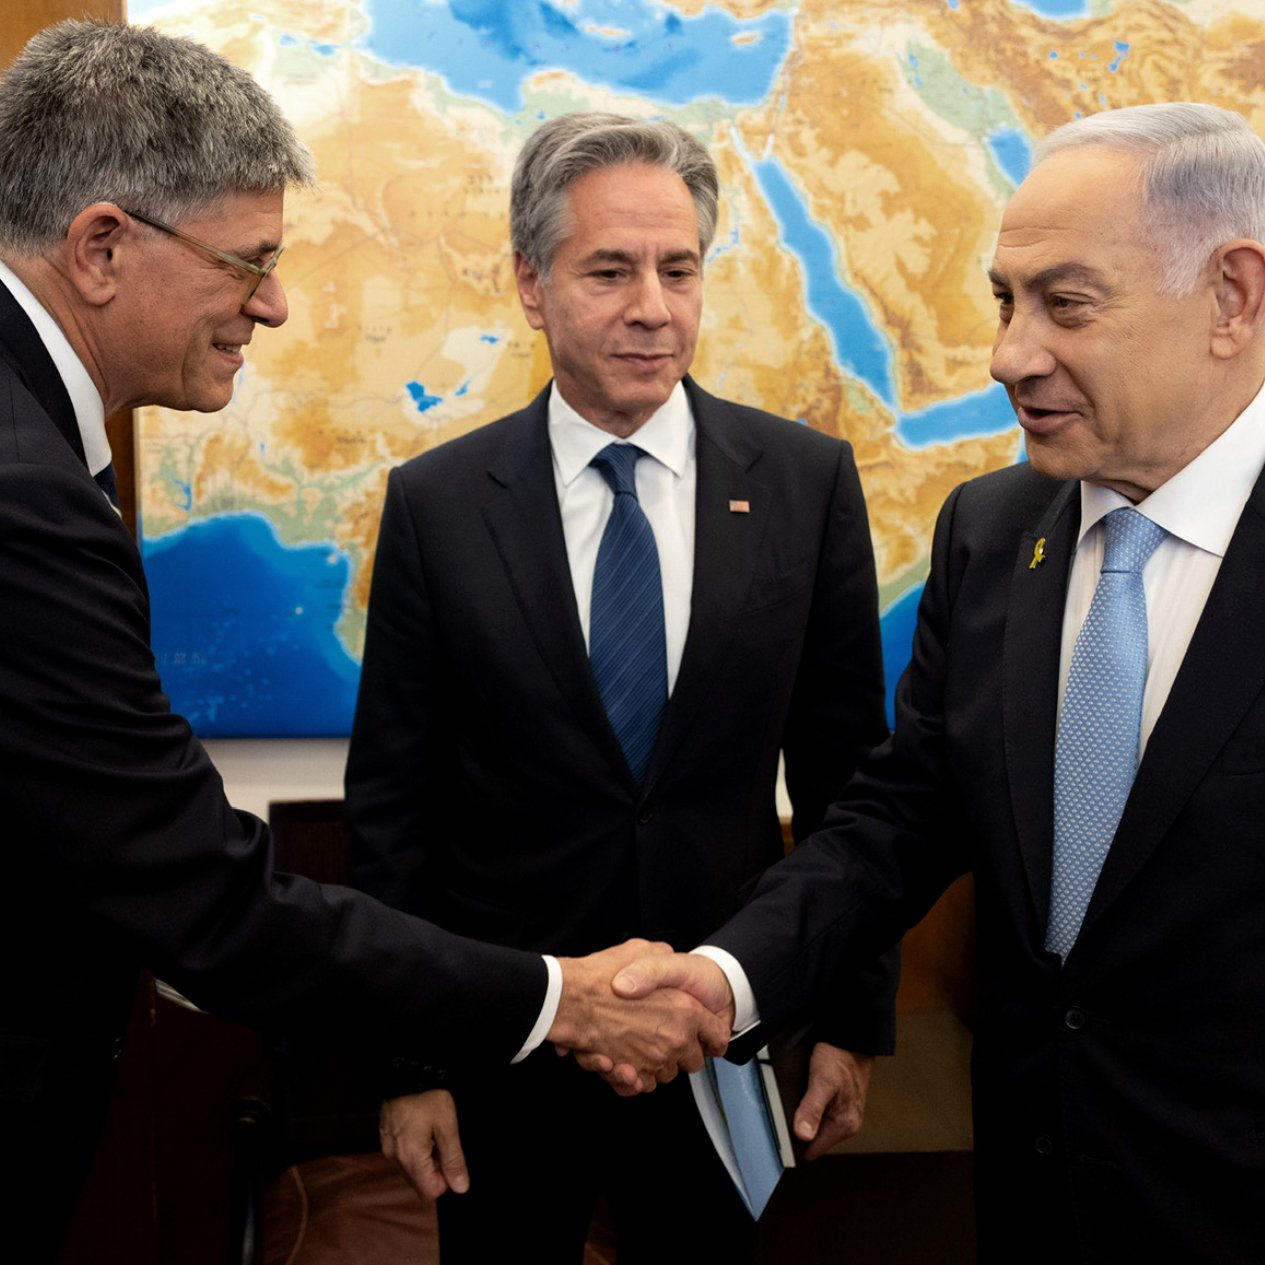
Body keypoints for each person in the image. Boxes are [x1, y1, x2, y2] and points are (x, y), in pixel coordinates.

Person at [0, 25, 726, 1256]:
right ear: (103, 247)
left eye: (680, 267)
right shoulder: (23, 488)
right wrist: (557, 998)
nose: (274, 304)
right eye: (250, 261)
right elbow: (211, 894)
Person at [617, 101, 1265, 1264]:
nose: (1009, 354)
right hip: (1029, 1189)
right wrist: (725, 978)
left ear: (1230, 297)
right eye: (1003, 302)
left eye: (1064, 304)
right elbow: (899, 815)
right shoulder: (990, 528)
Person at [345, 112, 894, 1262]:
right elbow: (395, 805)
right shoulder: (440, 504)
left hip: (723, 1045)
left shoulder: (804, 483)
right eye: (610, 269)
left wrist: (846, 1023)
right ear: (531, 285)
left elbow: (852, 783)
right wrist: (406, 1071)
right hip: (506, 1047)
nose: (653, 304)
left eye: (678, 267)